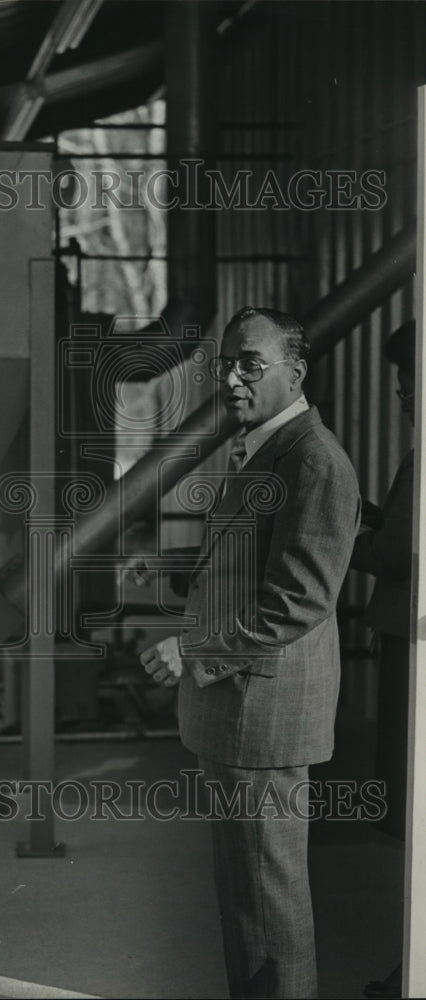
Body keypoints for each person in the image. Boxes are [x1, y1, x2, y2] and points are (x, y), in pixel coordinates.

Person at [141, 306, 361, 999]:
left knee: (268, 906)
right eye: (227, 364)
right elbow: (247, 560)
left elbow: (297, 601)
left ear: (295, 372)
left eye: (250, 365)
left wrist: (191, 648)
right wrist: (171, 566)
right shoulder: (264, 446)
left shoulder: (314, 461)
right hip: (242, 710)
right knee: (247, 901)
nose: (232, 379)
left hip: (263, 713)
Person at [350, 320, 415, 1000]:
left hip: (409, 643)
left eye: (408, 389)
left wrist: (334, 532)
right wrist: (363, 511)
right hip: (404, 636)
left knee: (409, 804)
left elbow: (397, 555)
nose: (402, 404)